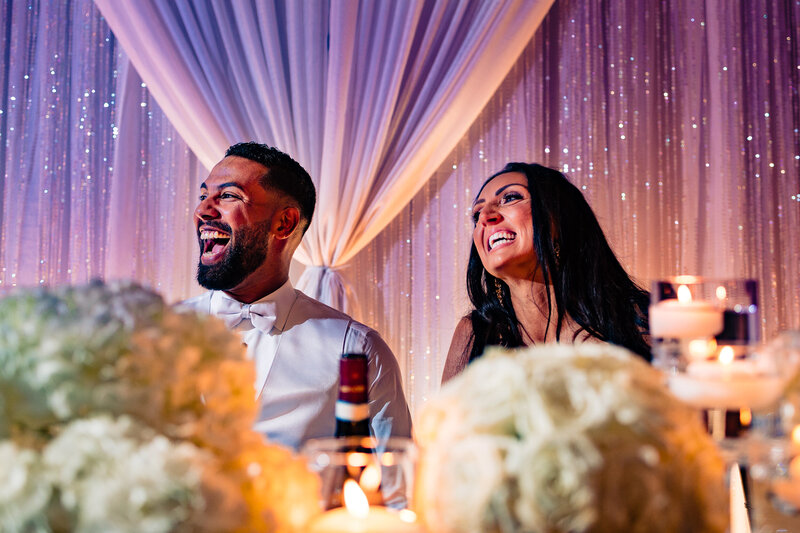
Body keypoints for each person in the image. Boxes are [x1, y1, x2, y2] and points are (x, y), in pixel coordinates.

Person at [181, 142, 412, 450]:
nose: (202, 210)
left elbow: (396, 484)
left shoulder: (357, 349)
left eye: (227, 196)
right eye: (203, 196)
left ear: (284, 223)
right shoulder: (155, 332)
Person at [442, 162, 650, 383]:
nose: (485, 216)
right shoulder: (474, 334)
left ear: (558, 217)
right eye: (477, 214)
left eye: (510, 198)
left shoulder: (635, 316)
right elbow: (444, 417)